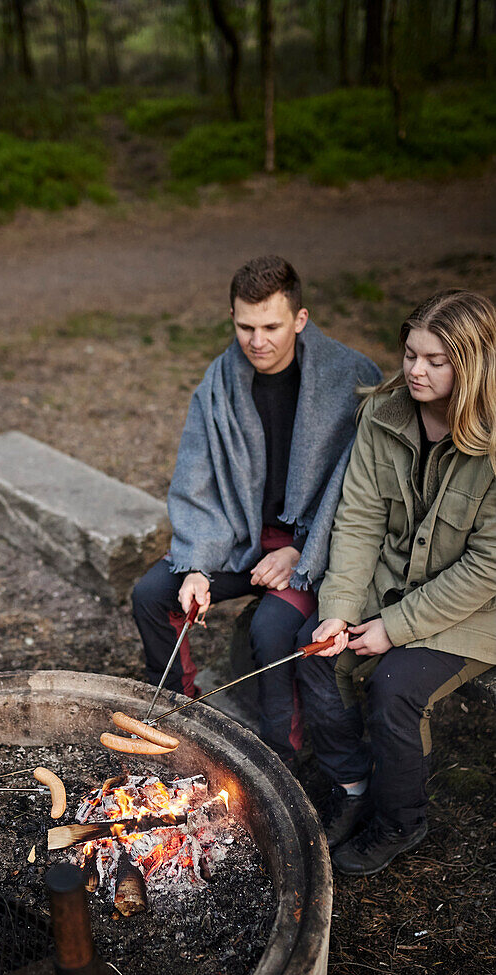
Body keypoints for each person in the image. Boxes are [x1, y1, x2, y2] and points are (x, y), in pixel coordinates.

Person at [131, 255, 381, 763]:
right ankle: (183, 715)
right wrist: (198, 565)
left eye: (271, 326)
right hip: (239, 539)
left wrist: (298, 551)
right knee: (152, 595)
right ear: (232, 319)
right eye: (245, 326)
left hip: (314, 547)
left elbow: (358, 491)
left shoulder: (350, 377)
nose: (257, 341)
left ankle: (278, 761)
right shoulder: (220, 381)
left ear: (301, 319)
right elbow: (195, 476)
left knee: (271, 632)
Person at [297, 289, 496, 875]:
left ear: (474, 365)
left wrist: (395, 627)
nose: (415, 370)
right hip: (393, 584)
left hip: (476, 609)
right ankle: (352, 784)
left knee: (394, 688)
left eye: (436, 361)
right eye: (411, 353)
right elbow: (357, 522)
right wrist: (338, 608)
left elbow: (487, 566)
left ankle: (400, 820)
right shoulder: (383, 415)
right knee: (315, 651)